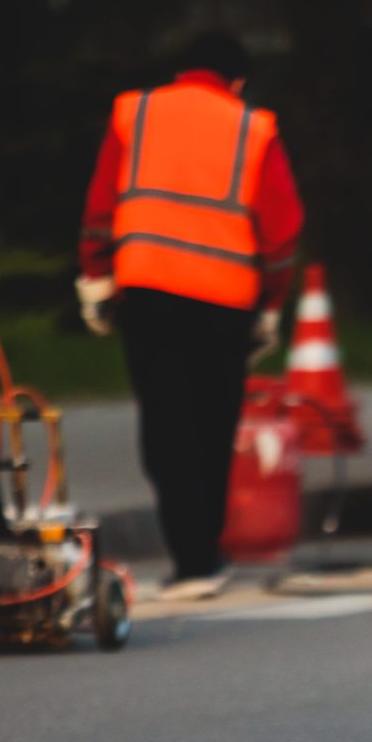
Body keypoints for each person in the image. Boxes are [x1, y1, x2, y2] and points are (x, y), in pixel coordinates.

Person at [78, 31, 304, 600]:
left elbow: (101, 204)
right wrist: (272, 305)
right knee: (210, 427)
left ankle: (193, 558)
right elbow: (281, 230)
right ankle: (205, 552)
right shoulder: (254, 127)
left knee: (165, 427)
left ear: (180, 72)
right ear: (238, 81)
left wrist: (95, 279)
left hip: (147, 292)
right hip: (224, 302)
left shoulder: (136, 113)